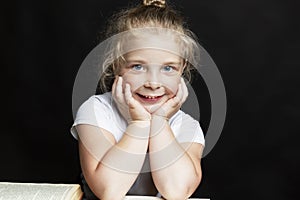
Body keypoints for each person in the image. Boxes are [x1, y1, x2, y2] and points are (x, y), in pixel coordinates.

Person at [71, 0, 205, 199]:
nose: (153, 83)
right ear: (117, 65)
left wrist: (160, 122)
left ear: (182, 69)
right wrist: (139, 124)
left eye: (168, 68)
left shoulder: (187, 126)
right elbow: (109, 191)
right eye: (138, 67)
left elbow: (176, 191)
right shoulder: (96, 111)